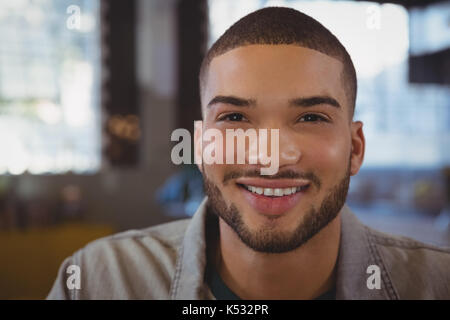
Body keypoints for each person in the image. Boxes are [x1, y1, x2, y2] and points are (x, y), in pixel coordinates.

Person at [47, 7, 450, 300]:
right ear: (202, 145)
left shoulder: (437, 283)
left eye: (310, 117)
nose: (269, 157)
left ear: (355, 148)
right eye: (235, 116)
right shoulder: (98, 282)